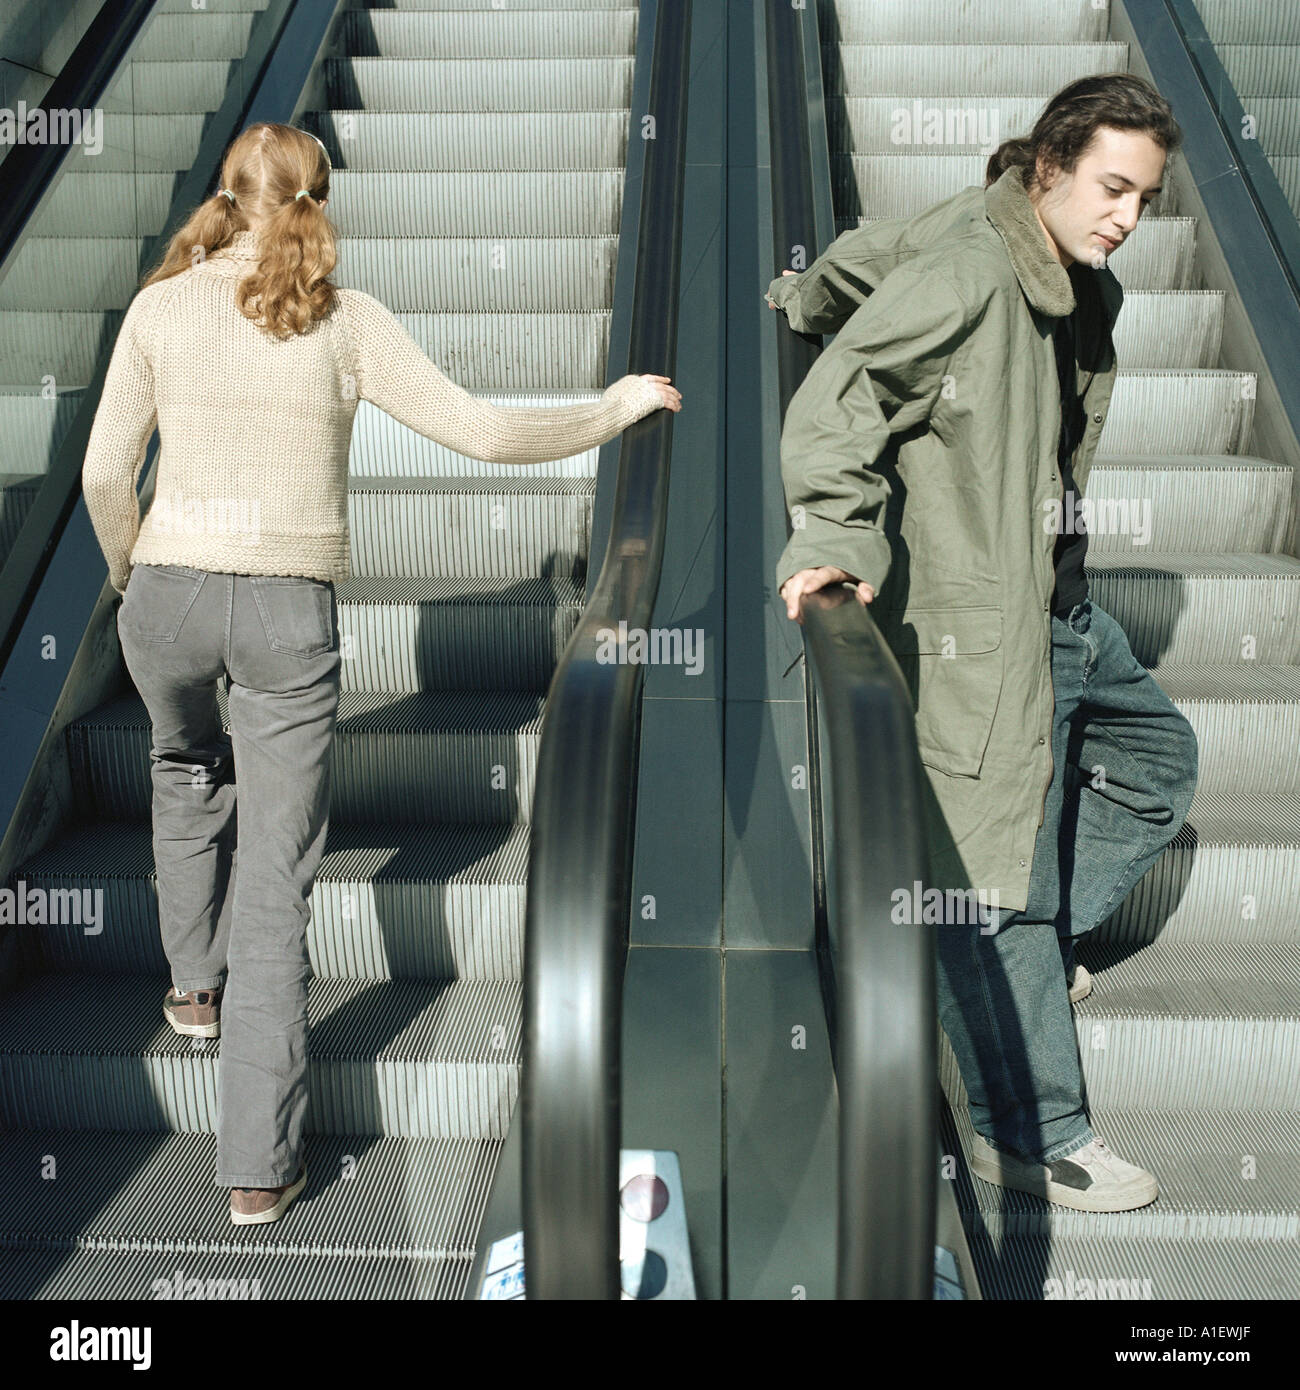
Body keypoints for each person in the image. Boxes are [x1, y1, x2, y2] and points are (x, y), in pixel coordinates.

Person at [81, 121, 680, 1226]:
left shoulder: (160, 306)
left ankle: (191, 989)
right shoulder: (341, 318)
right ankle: (257, 1166)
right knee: (275, 872)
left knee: (179, 762)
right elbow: (486, 433)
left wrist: (134, 579)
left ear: (226, 191)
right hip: (282, 610)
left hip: (163, 593)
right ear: (318, 196)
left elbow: (104, 470)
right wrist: (617, 406)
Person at [767, 74, 1198, 1213]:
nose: (1125, 218)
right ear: (1050, 165)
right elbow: (841, 398)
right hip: (983, 621)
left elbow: (866, 254)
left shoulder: (1022, 242)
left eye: (1145, 199)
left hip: (1058, 605)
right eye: (1112, 187)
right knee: (999, 882)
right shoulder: (970, 272)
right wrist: (835, 531)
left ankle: (1032, 953)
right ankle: (1033, 1127)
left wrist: (811, 287)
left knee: (1157, 762)